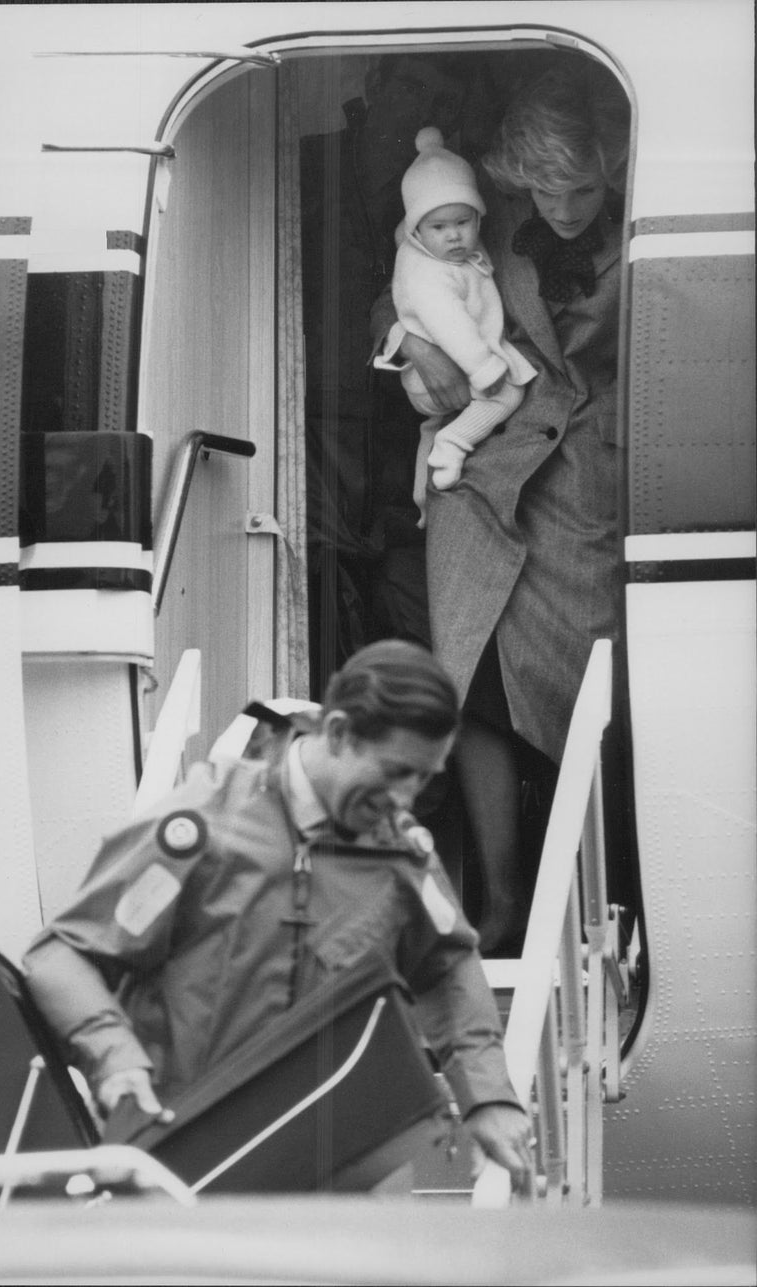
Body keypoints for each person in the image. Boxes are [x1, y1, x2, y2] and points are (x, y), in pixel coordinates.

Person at [22, 639, 534, 1187]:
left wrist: (486, 1097)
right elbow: (64, 956)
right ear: (337, 733)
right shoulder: (200, 827)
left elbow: (446, 968)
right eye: (395, 771)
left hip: (345, 1168)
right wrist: (115, 1058)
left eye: (425, 778)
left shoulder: (402, 857)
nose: (405, 798)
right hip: (191, 1159)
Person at [371, 62, 631, 953]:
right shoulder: (493, 217)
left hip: (593, 474)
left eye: (583, 188)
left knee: (585, 680)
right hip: (484, 467)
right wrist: (404, 337)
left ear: (613, 166)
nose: (563, 209)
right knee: (472, 677)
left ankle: (608, 891)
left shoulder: (644, 219)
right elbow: (402, 277)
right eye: (545, 189)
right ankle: (502, 902)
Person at [300, 54, 468, 689]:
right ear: (374, 86)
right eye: (412, 87)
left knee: (417, 622)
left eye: (443, 99)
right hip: (314, 425)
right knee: (321, 618)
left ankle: (420, 783)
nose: (426, 109)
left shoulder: (448, 193)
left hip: (409, 431)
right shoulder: (305, 167)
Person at [380, 125, 536, 526]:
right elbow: (449, 324)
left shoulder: (445, 251)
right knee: (508, 397)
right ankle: (456, 442)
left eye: (463, 223)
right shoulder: (426, 272)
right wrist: (485, 367)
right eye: (439, 228)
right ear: (416, 229)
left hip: (440, 380)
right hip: (449, 368)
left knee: (432, 427)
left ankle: (423, 499)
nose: (454, 236)